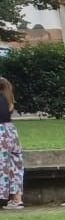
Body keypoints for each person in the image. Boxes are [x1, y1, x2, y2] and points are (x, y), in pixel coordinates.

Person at [0, 75, 22, 210]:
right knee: (16, 165)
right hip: (11, 131)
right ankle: (17, 198)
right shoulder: (8, 100)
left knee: (2, 166)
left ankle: (2, 196)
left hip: (1, 133)